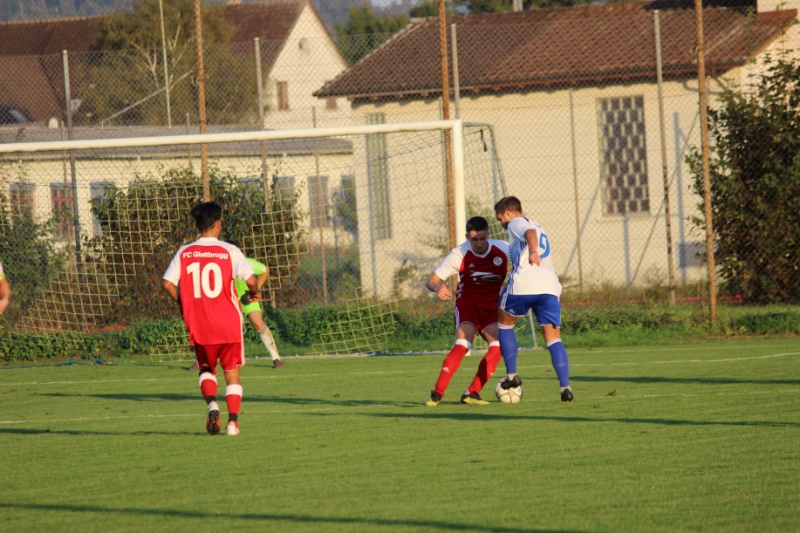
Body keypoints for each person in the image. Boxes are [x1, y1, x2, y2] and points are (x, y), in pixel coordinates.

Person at [162, 202, 259, 436]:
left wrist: (184, 304)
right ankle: (233, 423)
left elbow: (167, 283)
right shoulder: (230, 250)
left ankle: (212, 405)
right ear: (218, 223)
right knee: (231, 371)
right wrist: (253, 293)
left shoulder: (185, 252)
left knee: (206, 368)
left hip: (200, 323)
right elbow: (251, 279)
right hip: (228, 323)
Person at [494, 196, 573, 402]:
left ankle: (511, 376)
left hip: (525, 284)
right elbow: (532, 233)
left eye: (500, 218)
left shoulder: (516, 223)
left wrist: (532, 251)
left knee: (504, 324)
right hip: (549, 288)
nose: (501, 223)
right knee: (553, 338)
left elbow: (529, 234)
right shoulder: (540, 226)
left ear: (508, 213)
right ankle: (565, 387)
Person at [425, 216, 509, 406]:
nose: (478, 244)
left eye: (482, 239)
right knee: (463, 344)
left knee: (499, 346)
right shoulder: (459, 254)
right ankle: (437, 393)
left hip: (491, 308)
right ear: (467, 237)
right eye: (474, 240)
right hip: (467, 305)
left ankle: (472, 393)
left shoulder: (503, 249)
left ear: (488, 234)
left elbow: (524, 263)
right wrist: (438, 288)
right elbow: (431, 281)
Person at [229, 242, 284, 369]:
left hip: (246, 300)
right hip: (229, 301)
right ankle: (201, 361)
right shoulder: (221, 264)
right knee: (215, 326)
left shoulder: (246, 263)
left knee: (258, 323)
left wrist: (254, 292)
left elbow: (265, 271)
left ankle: (276, 358)